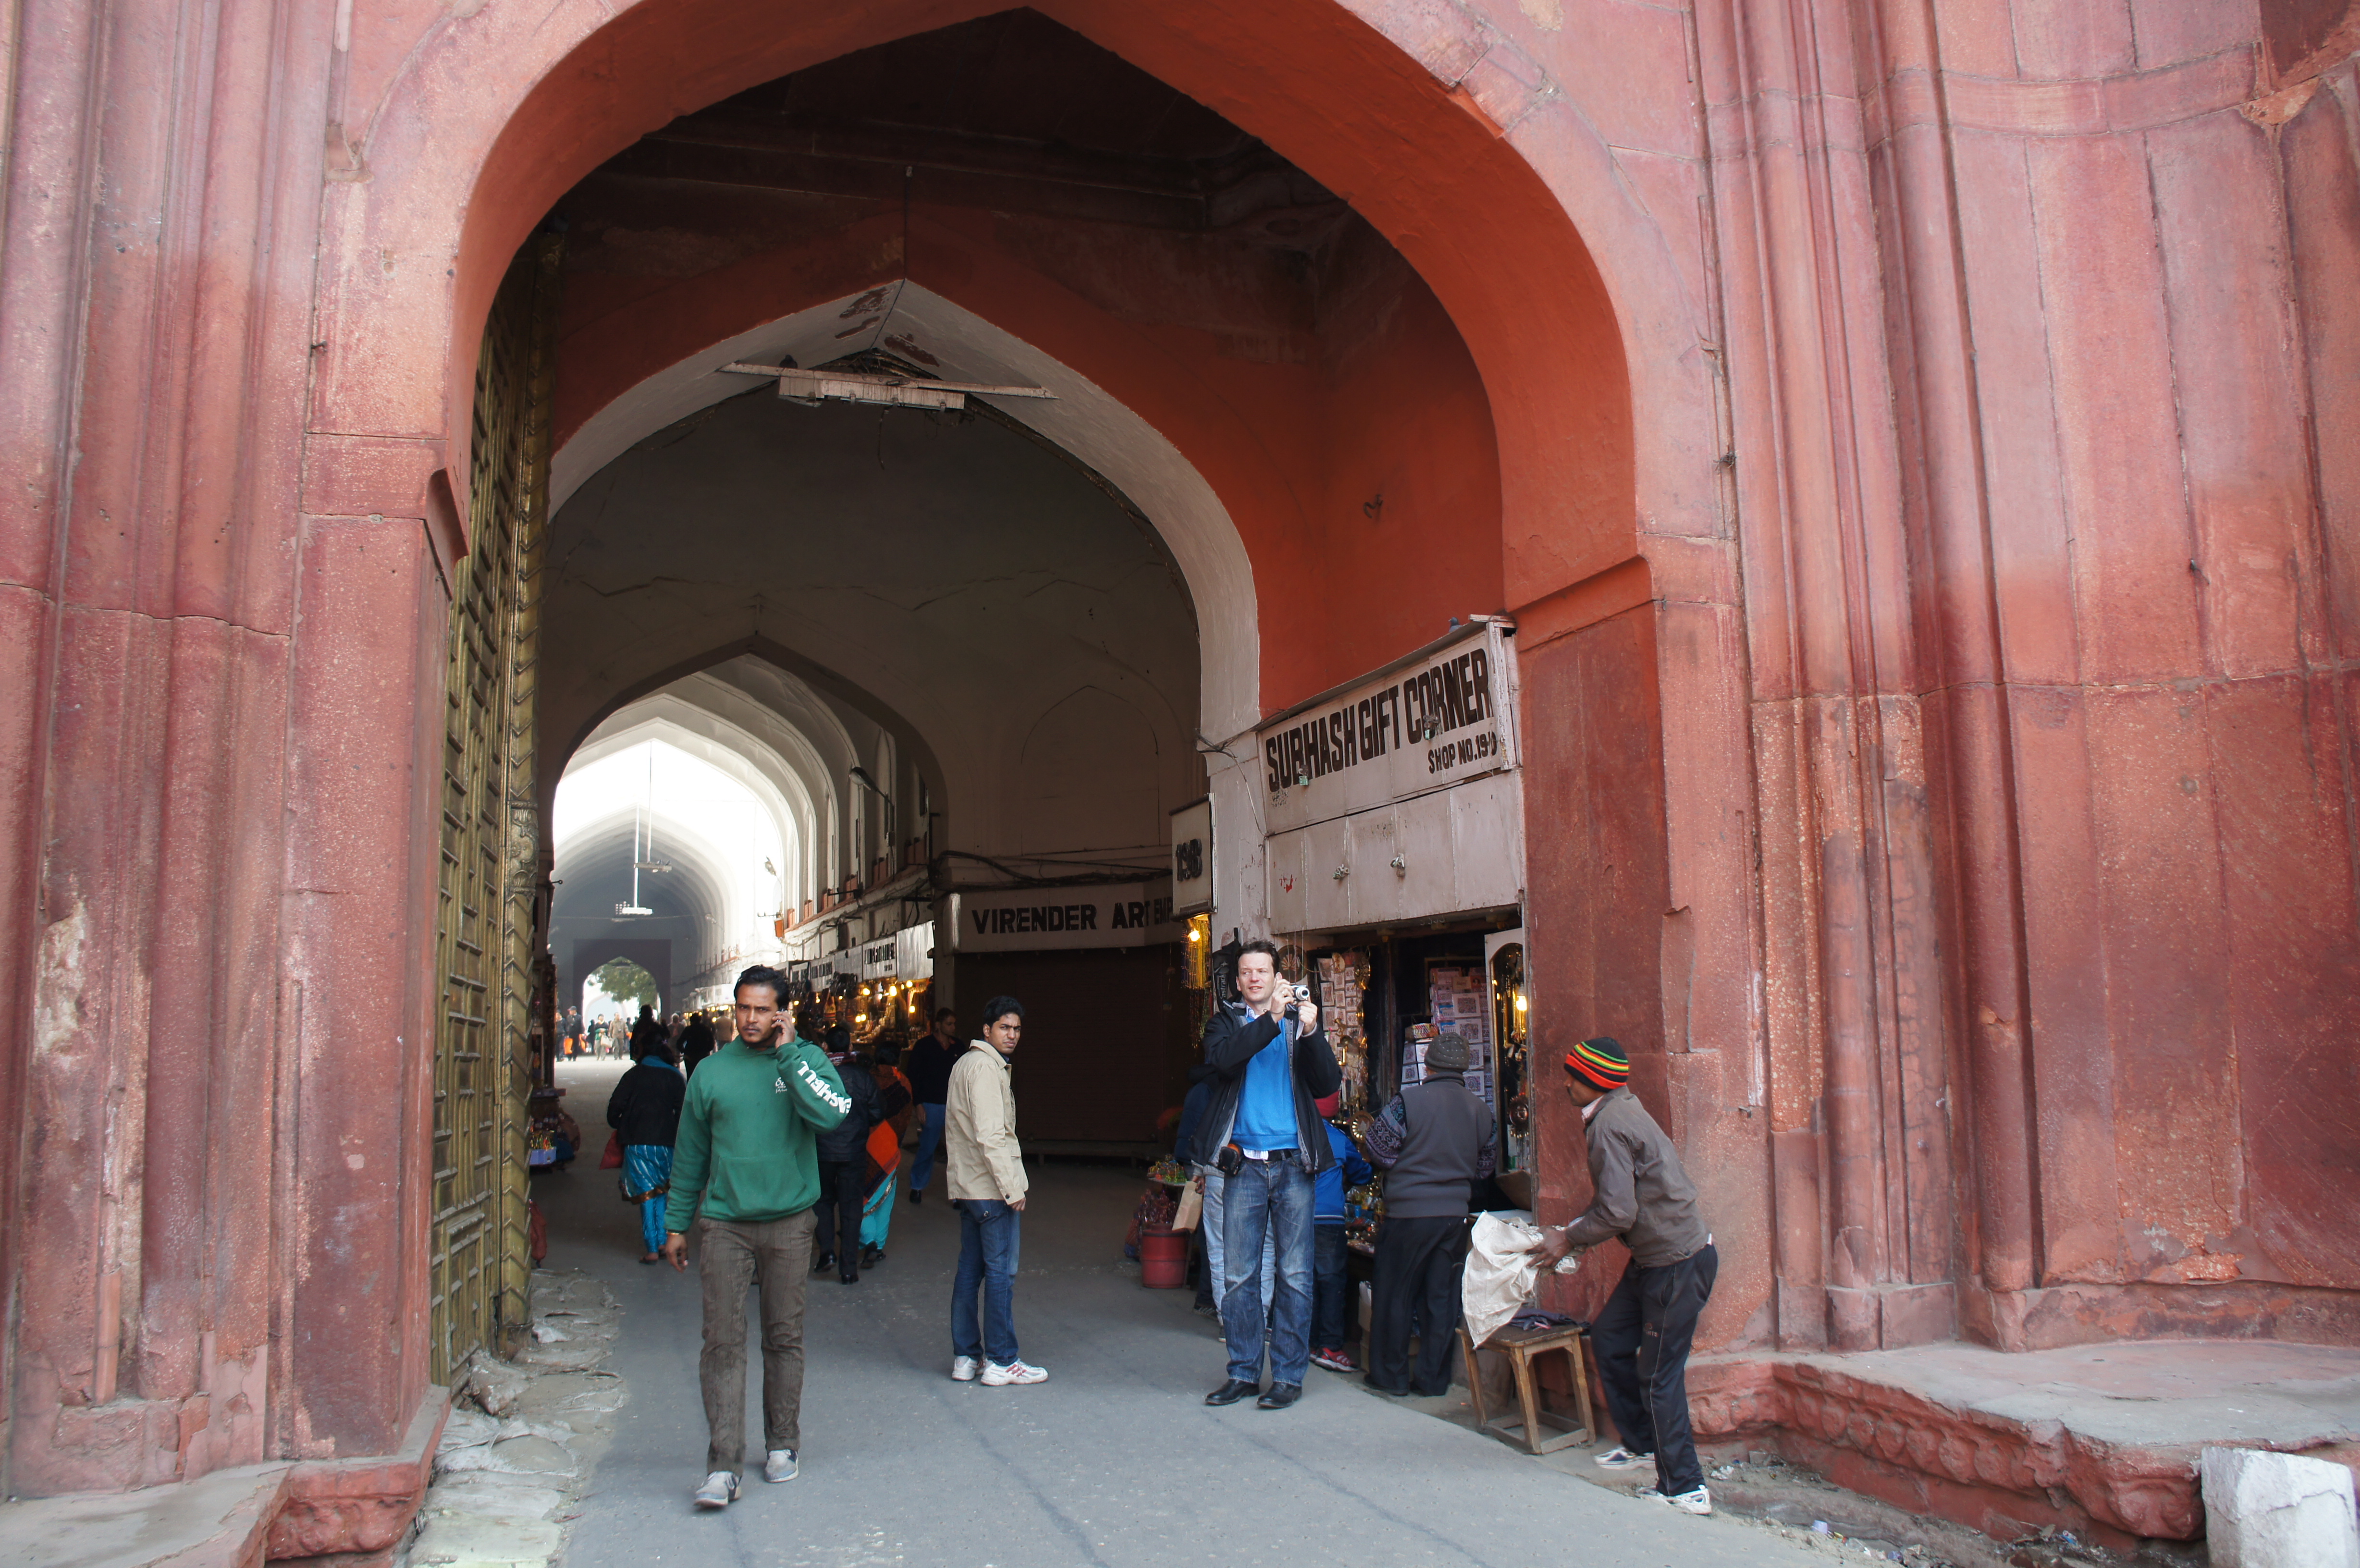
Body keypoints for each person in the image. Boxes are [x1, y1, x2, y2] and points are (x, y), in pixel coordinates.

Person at [659, 965, 852, 1511]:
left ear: (782, 1014)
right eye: (743, 1008)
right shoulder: (711, 1072)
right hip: (725, 1224)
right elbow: (691, 1153)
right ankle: (723, 1466)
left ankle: (782, 1443)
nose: (750, 1019)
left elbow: (832, 1115)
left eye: (762, 1010)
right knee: (721, 1342)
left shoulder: (806, 1060)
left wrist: (790, 1058)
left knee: (783, 1338)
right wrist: (677, 1223)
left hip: (790, 1222)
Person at [1529, 1037, 1718, 1518]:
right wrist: (1572, 1232)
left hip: (1676, 1263)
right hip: (1655, 1260)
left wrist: (1567, 1238)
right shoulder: (1617, 1110)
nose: (1566, 1084)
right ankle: (1642, 1445)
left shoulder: (1610, 1124)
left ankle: (1686, 1487)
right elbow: (1618, 1204)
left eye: (1573, 1076)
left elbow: (1617, 1212)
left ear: (1594, 1081)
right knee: (1611, 1337)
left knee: (1658, 1376)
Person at [1197, 940, 1340, 1412]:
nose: (1255, 978)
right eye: (1247, 972)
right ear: (1238, 982)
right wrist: (1271, 1020)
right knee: (1240, 1275)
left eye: (1263, 971)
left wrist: (1313, 1032)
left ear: (1278, 978)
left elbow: (1328, 1085)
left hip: (1293, 1164)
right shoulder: (1225, 1023)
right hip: (1243, 1167)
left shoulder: (1298, 1023)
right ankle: (1242, 1372)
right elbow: (1223, 1062)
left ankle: (1288, 1377)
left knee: (1295, 1275)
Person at [1359, 1030, 1496, 1395]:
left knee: (1396, 1294)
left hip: (1409, 1214)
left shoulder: (1408, 1101)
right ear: (1464, 1069)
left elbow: (1378, 1149)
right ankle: (1433, 1381)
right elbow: (1486, 1167)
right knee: (1441, 1300)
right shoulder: (1481, 1110)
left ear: (1428, 1066)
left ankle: (1390, 1377)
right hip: (1454, 1217)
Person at [943, 996, 1046, 1386]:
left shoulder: (966, 1064)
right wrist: (1011, 1187)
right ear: (987, 1030)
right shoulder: (987, 1069)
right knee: (1001, 1274)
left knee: (970, 1272)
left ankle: (966, 1357)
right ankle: (1003, 1360)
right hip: (990, 1189)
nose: (1012, 1035)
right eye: (1004, 1027)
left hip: (970, 1188)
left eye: (1017, 1028)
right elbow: (990, 1136)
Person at [1307, 1091, 1375, 1373]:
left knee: (1305, 1281)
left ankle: (1310, 1343)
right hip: (1327, 1220)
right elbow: (1363, 1175)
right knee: (1332, 1282)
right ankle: (1331, 1347)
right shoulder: (1338, 1138)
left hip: (1296, 1217)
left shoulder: (1294, 1134)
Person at [811, 1021, 882, 1283]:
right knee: (851, 1208)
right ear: (851, 1046)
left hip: (822, 1150)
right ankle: (849, 1269)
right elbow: (877, 1112)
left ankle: (827, 1252)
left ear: (825, 1047)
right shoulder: (863, 1077)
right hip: (853, 1151)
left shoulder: (817, 1076)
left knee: (823, 1201)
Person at [605, 1036, 687, 1263]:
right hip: (666, 1143)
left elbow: (615, 1106)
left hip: (638, 1143)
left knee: (646, 1193)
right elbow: (684, 1111)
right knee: (662, 1191)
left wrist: (622, 1124)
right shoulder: (675, 1077)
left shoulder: (633, 1075)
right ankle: (661, 1242)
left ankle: (652, 1249)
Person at [903, 1007, 960, 1203]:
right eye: (949, 1024)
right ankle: (917, 1186)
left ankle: (958, 1194)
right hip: (931, 1104)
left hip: (954, 1104)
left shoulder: (958, 1047)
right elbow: (914, 1076)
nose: (953, 1028)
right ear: (938, 1025)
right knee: (928, 1147)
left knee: (956, 1150)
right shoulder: (924, 1046)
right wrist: (918, 1104)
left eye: (954, 1024)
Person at [679, 1010, 716, 1078]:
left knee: (691, 1077)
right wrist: (707, 1051)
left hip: (690, 1057)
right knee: (703, 1076)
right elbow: (712, 1042)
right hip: (703, 1056)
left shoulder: (689, 1029)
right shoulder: (706, 1029)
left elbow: (679, 1043)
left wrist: (685, 1052)